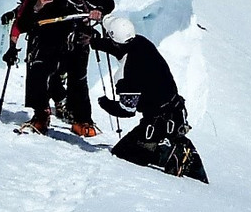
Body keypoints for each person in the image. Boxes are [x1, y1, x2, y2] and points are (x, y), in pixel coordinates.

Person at [2, 0, 114, 137]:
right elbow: (22, 21)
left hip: (73, 35)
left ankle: (52, 116)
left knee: (59, 75)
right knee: (62, 75)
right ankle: (77, 120)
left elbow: (107, 3)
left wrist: (98, 11)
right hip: (56, 36)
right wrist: (37, 5)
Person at [87, 17, 208, 182]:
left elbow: (126, 110)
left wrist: (105, 103)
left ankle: (167, 154)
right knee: (135, 147)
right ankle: (176, 146)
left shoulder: (127, 74)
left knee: (123, 154)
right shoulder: (141, 42)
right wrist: (94, 42)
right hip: (175, 111)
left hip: (157, 121)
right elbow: (119, 47)